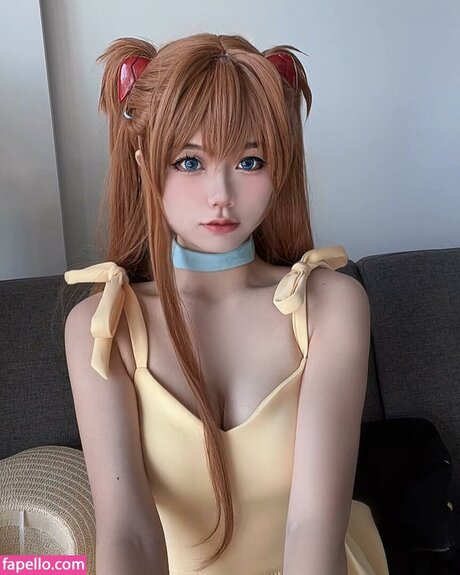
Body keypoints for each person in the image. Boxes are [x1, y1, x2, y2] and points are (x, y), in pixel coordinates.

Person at [63, 32, 389, 575]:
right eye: (189, 162)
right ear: (144, 163)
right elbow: (128, 534)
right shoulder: (102, 327)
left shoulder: (331, 305)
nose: (221, 194)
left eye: (250, 161)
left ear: (279, 167)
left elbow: (313, 526)